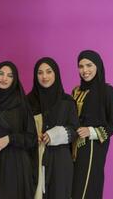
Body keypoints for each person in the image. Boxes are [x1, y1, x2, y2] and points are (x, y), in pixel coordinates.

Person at [0, 61, 38, 199]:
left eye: (9, 75)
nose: (4, 78)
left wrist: (9, 139)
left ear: (14, 80)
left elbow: (32, 138)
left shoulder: (21, 104)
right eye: (1, 73)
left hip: (15, 166)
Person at [27, 57, 79, 199]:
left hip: (60, 162)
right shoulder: (28, 101)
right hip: (33, 159)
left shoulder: (67, 101)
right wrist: (32, 136)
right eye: (40, 73)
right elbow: (22, 128)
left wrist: (54, 134)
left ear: (56, 74)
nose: (44, 76)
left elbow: (74, 130)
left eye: (49, 72)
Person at [71, 50, 113, 199]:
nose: (85, 70)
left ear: (97, 66)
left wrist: (91, 131)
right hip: (72, 147)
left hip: (93, 148)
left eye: (89, 65)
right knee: (72, 188)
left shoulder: (107, 91)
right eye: (81, 66)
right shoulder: (76, 91)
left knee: (87, 188)